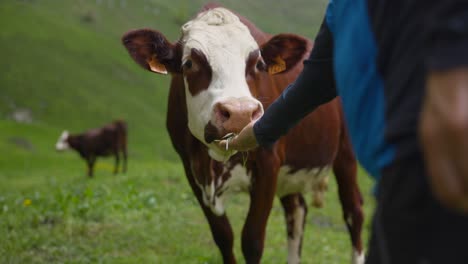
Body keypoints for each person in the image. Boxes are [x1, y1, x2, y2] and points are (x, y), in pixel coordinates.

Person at [217, 1, 468, 263]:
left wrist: (453, 79)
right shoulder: (341, 8)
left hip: (439, 165)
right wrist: (259, 132)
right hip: (398, 182)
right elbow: (314, 83)